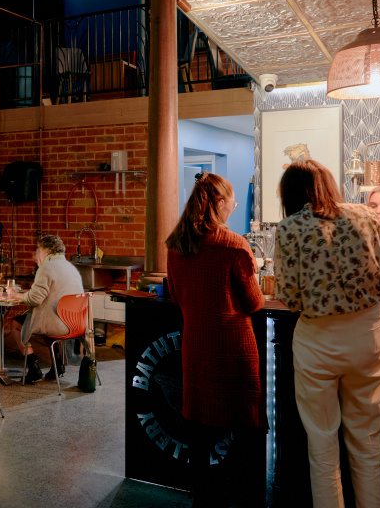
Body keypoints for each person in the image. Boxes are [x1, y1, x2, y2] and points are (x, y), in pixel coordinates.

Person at [274, 160, 380, 508]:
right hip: (367, 337)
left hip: (317, 341)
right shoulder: (366, 216)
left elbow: (288, 296)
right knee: (368, 441)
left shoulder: (290, 228)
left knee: (321, 444)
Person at [164, 171, 265, 508]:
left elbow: (175, 297)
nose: (233, 209)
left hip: (195, 349)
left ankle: (203, 497)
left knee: (199, 431)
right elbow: (254, 303)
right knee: (244, 428)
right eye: (231, 204)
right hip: (233, 350)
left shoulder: (176, 245)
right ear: (219, 203)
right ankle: (239, 495)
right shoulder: (235, 245)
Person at [6, 235, 84, 384]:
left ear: (46, 252)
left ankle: (33, 367)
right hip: (75, 323)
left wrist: (15, 295)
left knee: (16, 324)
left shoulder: (46, 268)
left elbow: (35, 299)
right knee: (46, 321)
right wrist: (28, 293)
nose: (36, 256)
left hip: (58, 324)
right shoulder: (70, 267)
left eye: (39, 251)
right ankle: (58, 365)